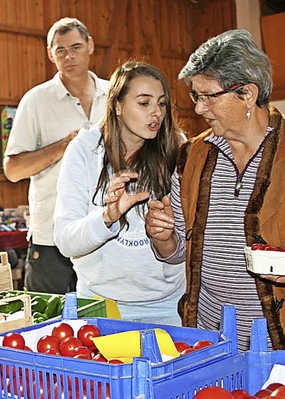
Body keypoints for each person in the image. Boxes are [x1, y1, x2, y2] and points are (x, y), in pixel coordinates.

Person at [145, 28, 285, 351]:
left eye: (207, 96)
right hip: (210, 343)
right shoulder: (192, 158)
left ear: (247, 95)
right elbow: (179, 254)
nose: (198, 109)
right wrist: (163, 237)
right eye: (194, 96)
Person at [54, 61, 186, 325]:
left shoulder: (178, 148)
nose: (156, 113)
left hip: (167, 306)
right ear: (116, 105)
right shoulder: (84, 150)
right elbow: (66, 241)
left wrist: (166, 239)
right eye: (144, 103)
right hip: (99, 305)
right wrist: (107, 217)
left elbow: (183, 252)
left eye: (161, 103)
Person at [3, 17, 110, 294]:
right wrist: (63, 147)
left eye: (75, 47)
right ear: (50, 54)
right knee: (47, 325)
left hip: (110, 233)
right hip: (52, 237)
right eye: (60, 50)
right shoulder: (36, 101)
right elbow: (13, 169)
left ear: (90, 46)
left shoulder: (115, 95)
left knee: (108, 324)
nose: (69, 56)